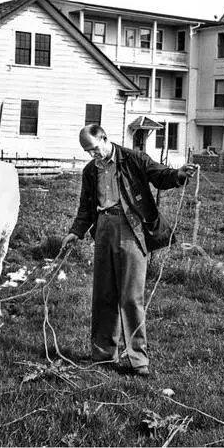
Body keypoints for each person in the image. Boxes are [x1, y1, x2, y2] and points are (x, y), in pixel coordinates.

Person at [62, 124, 196, 376]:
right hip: (103, 228)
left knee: (131, 296)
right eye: (87, 152)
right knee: (103, 294)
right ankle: (103, 355)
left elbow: (160, 175)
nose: (92, 155)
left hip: (131, 228)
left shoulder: (133, 159)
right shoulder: (90, 171)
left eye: (93, 149)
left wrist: (178, 174)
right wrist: (75, 232)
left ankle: (138, 360)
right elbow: (85, 207)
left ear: (105, 138)